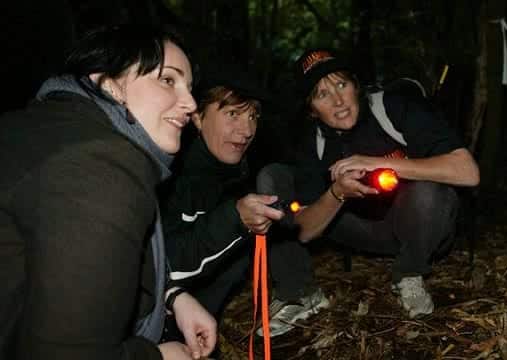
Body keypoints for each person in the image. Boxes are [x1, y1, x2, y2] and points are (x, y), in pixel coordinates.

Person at [0, 24, 217, 359]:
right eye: (168, 80)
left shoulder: (53, 130)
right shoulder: (99, 166)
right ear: (109, 83)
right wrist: (158, 357)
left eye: (189, 88)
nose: (190, 103)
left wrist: (171, 296)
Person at [260, 48, 480, 336]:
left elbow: (468, 172)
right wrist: (337, 193)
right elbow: (303, 231)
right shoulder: (312, 144)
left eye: (341, 84)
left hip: (421, 225)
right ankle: (299, 293)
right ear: (312, 109)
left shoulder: (393, 106)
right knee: (272, 176)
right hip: (360, 229)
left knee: (428, 188)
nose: (338, 100)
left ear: (356, 86)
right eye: (322, 94)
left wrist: (376, 163)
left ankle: (410, 272)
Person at [160, 68, 284, 334]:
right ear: (197, 117)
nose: (248, 129)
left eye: (253, 116)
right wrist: (235, 218)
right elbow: (162, 266)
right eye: (233, 114)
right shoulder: (169, 176)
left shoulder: (235, 168)